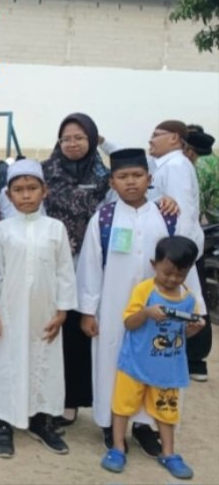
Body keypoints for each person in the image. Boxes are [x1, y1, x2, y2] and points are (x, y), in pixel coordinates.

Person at [77, 148, 205, 456]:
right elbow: (90, 267)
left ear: (149, 179)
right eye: (122, 177)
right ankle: (111, 425)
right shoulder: (103, 219)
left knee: (154, 362)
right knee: (110, 362)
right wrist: (88, 311)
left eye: (137, 175)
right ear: (112, 182)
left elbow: (184, 265)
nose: (131, 182)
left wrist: (197, 309)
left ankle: (146, 426)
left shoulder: (167, 217)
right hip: (113, 307)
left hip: (160, 310)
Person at [0, 159, 77, 458]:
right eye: (18, 189)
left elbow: (65, 271)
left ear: (44, 190)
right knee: (8, 363)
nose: (26, 195)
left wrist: (62, 311)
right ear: (8, 195)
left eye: (31, 188)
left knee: (44, 363)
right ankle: (3, 423)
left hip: (45, 312)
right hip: (10, 312)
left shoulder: (55, 228)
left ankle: (42, 421)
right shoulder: (1, 230)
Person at [100, 236, 205, 480]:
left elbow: (184, 333)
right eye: (167, 273)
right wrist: (146, 312)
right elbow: (129, 322)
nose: (172, 279)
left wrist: (194, 328)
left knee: (167, 412)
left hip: (168, 368)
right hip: (135, 363)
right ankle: (118, 447)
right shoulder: (145, 290)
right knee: (123, 406)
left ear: (189, 271)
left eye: (180, 274)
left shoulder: (189, 299)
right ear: (154, 264)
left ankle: (169, 453)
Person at [41, 113, 111, 427]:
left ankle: (71, 401)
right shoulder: (45, 171)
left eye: (79, 138)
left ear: (92, 140)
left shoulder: (104, 176)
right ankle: (44, 397)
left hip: (88, 262)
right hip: (51, 261)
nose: (71, 144)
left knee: (76, 331)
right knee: (49, 328)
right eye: (66, 138)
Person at [184, 128, 216, 382]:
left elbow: (195, 205)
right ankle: (198, 362)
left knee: (191, 294)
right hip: (209, 228)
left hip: (200, 231)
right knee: (199, 292)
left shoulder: (193, 168)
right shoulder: (214, 161)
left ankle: (193, 358)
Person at [147, 121, 204, 256]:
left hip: (177, 252)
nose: (150, 141)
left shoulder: (175, 166)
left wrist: (178, 253)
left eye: (155, 135)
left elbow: (182, 213)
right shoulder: (167, 164)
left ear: (174, 138)